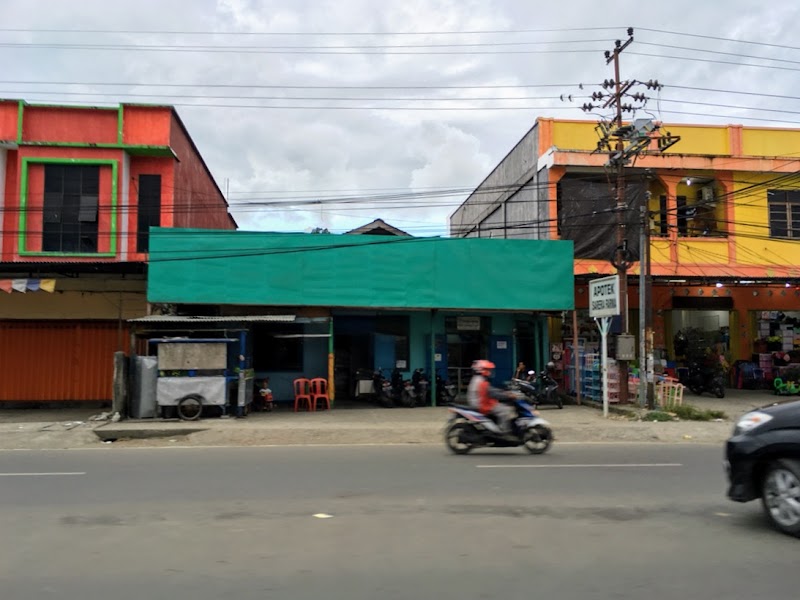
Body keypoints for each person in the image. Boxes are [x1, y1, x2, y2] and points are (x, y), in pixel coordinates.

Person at [467, 359, 515, 434]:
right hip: (482, 404)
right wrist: (507, 395)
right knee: (506, 410)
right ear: (482, 370)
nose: (490, 371)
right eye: (488, 369)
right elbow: (492, 393)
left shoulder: (478, 379)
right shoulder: (480, 381)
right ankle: (503, 431)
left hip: (480, 402)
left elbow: (491, 390)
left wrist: (503, 392)